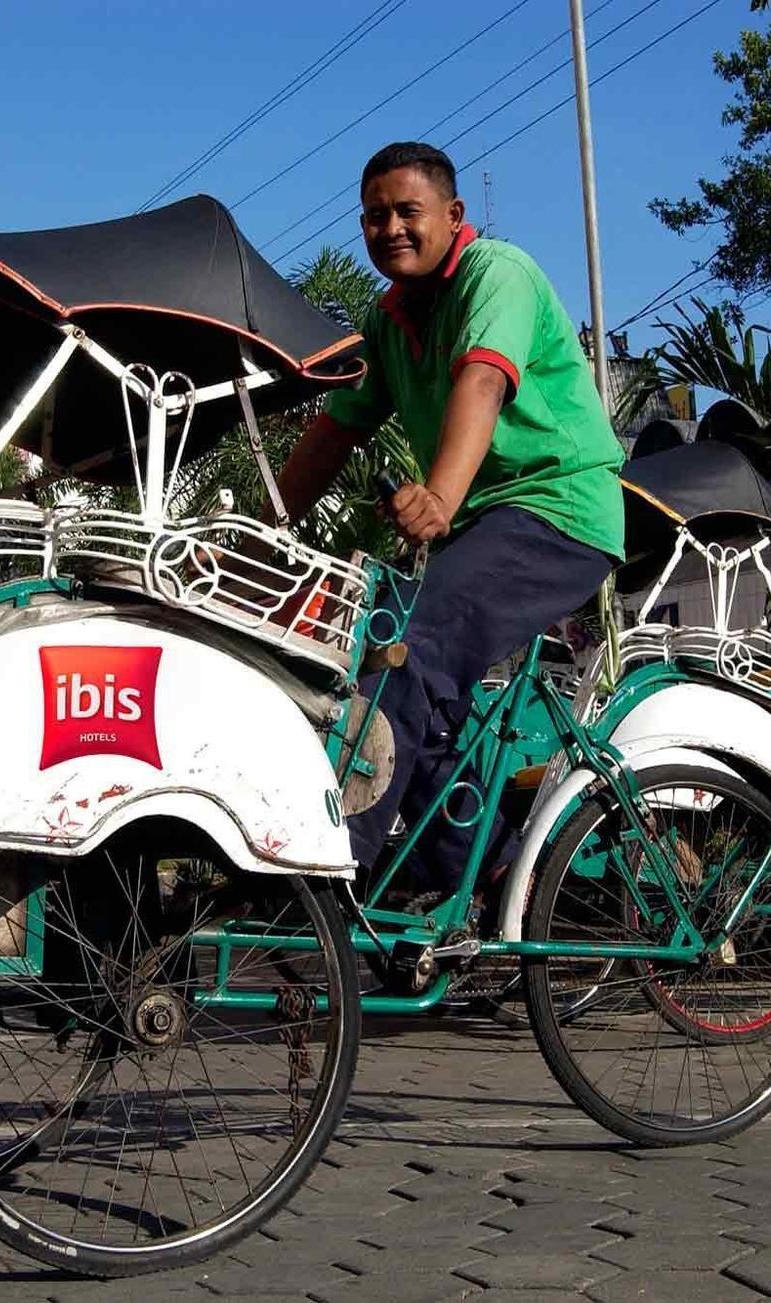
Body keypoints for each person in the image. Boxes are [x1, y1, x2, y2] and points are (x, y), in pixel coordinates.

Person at [275, 141, 625, 892]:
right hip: (481, 523)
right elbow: (335, 429)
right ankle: (488, 873)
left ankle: (330, 866)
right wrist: (270, 523)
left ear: (453, 215)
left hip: (556, 508)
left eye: (408, 211)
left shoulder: (495, 274)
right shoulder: (388, 316)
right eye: (374, 217)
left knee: (411, 648)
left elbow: (483, 382)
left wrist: (438, 497)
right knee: (387, 669)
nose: (390, 228)